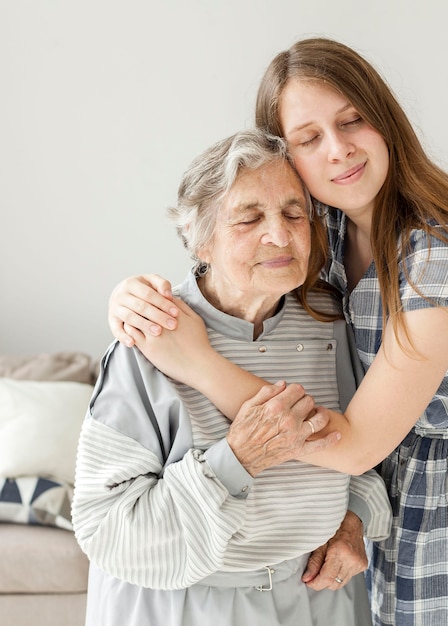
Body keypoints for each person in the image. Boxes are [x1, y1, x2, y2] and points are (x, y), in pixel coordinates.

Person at [107, 38, 448, 625]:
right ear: (287, 160)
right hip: (408, 487)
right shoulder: (331, 237)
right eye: (309, 139)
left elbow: (359, 441)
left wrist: (196, 363)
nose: (338, 149)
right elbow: (228, 262)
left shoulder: (437, 251)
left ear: (384, 121)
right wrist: (132, 299)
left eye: (352, 121)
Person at [72, 128, 392, 626]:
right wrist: (236, 460)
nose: (280, 235)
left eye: (293, 214)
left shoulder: (332, 321)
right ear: (200, 241)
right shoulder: (151, 336)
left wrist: (354, 520)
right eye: (249, 217)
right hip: (180, 605)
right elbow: (107, 530)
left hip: (312, 598)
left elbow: (367, 452)